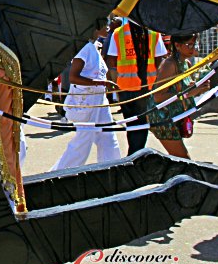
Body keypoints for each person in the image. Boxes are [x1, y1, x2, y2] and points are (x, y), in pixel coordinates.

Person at [50, 18, 122, 171]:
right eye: (105, 24)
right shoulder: (84, 49)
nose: (108, 27)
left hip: (99, 100)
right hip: (87, 101)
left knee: (108, 138)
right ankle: (60, 174)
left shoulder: (94, 47)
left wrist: (104, 84)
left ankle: (112, 170)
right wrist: (101, 83)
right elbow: (73, 78)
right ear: (95, 28)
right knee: (83, 143)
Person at [106, 18, 167, 154]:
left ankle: (134, 154)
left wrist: (116, 83)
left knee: (132, 125)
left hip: (125, 88)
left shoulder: (118, 33)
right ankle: (135, 155)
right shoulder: (153, 33)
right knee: (141, 124)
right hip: (145, 87)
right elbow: (159, 58)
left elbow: (112, 60)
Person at [146, 34, 210, 159]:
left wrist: (200, 89)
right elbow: (158, 97)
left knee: (179, 160)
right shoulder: (169, 65)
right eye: (189, 45)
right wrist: (189, 93)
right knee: (184, 160)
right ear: (177, 45)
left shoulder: (185, 63)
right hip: (163, 119)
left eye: (194, 44)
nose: (193, 48)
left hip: (177, 118)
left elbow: (187, 89)